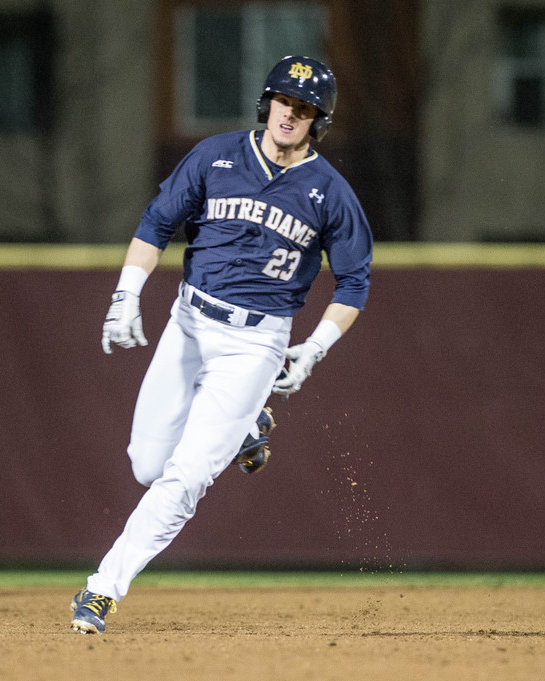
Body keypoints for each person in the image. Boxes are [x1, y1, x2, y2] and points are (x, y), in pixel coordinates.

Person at [70, 56, 373, 634]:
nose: (292, 114)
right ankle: (248, 426)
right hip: (188, 321)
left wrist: (315, 347)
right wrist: (124, 295)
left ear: (319, 121)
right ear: (268, 103)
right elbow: (157, 222)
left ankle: (101, 589)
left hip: (256, 344)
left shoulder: (329, 191)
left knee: (184, 479)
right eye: (285, 101)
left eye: (306, 108)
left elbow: (355, 281)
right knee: (147, 465)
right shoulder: (216, 156)